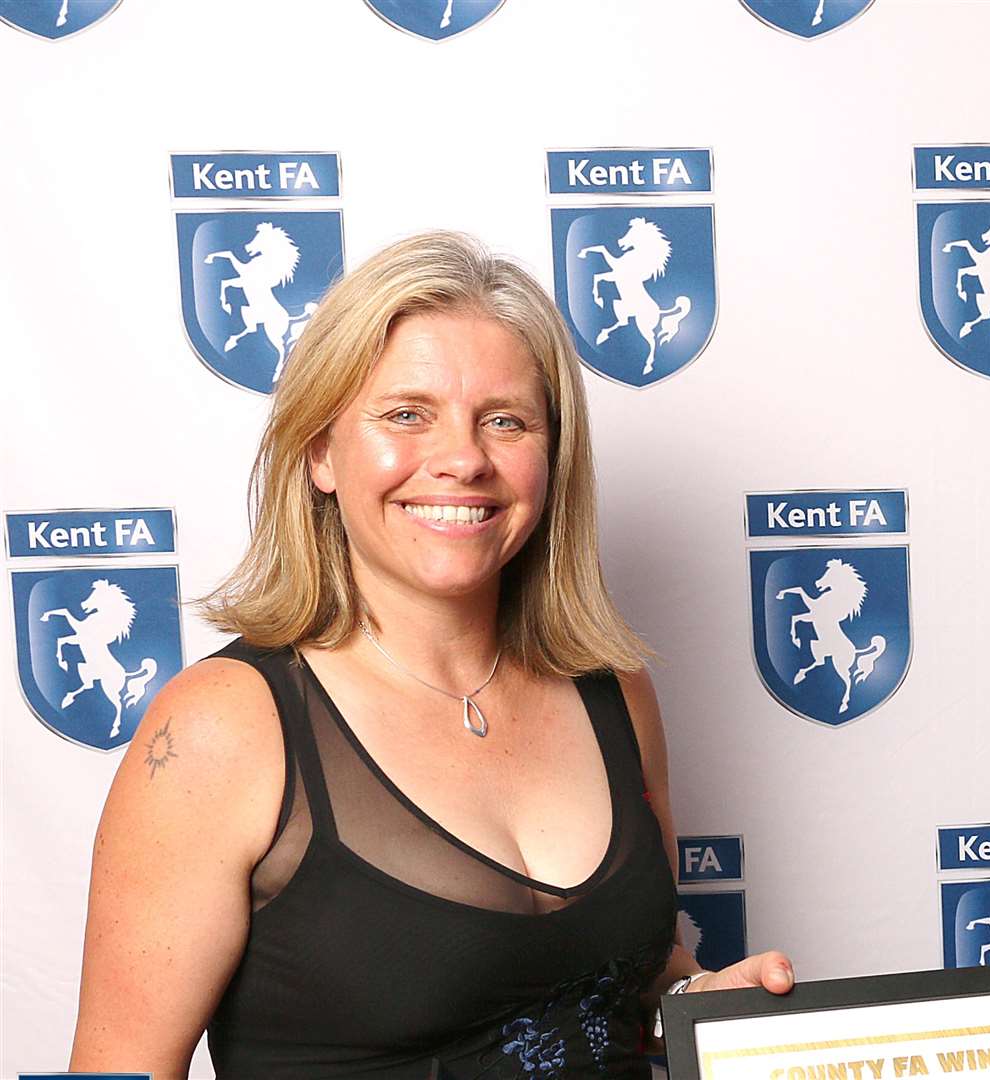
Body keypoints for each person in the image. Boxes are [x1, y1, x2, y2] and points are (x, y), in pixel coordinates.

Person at [68, 231, 792, 1078]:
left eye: (506, 421)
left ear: (552, 459)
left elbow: (618, 982)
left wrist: (696, 1004)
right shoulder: (223, 727)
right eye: (407, 414)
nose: (462, 460)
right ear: (319, 452)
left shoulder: (614, 691)